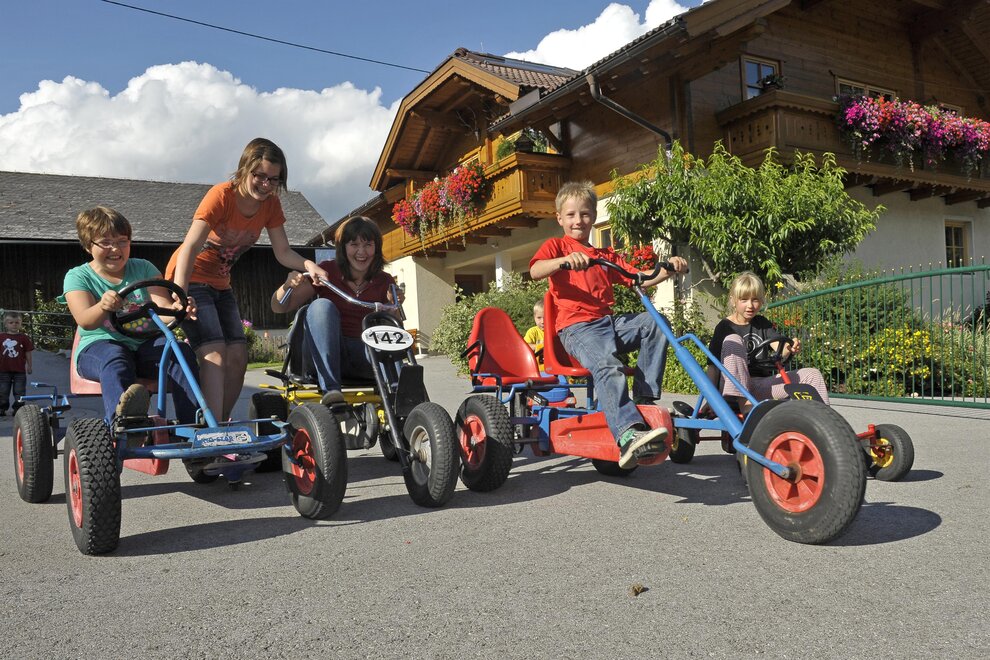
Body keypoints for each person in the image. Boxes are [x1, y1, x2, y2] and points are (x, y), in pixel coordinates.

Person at [166, 138, 328, 421]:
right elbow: (190, 247)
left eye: (274, 180)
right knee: (215, 353)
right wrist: (179, 294)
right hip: (191, 279)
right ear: (244, 169)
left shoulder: (270, 205)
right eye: (260, 176)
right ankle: (212, 432)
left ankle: (220, 424)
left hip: (220, 285)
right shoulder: (221, 196)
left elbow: (283, 252)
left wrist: (309, 264)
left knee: (239, 356)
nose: (266, 185)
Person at [529, 181, 688, 469]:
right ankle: (627, 433)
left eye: (585, 214)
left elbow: (640, 278)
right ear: (560, 218)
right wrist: (564, 261)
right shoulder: (556, 246)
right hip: (577, 328)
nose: (578, 221)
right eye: (571, 215)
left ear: (593, 216)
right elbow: (535, 270)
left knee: (654, 322)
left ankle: (643, 400)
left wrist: (668, 269)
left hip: (608, 324)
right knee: (607, 365)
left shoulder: (605, 257)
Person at [60, 207, 200, 426]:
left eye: (122, 241)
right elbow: (85, 320)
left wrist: (179, 309)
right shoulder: (78, 276)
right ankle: (124, 426)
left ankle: (194, 426)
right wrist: (102, 306)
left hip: (144, 345)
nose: (115, 249)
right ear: (88, 245)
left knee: (179, 350)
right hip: (99, 347)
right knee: (116, 358)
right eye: (106, 242)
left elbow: (162, 309)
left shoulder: (143, 267)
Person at [270, 216, 400, 406]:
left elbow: (395, 328)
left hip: (366, 356)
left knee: (390, 337)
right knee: (321, 306)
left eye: (368, 245)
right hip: (324, 355)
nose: (362, 252)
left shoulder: (385, 280)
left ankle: (402, 396)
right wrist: (287, 286)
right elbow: (279, 306)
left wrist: (392, 307)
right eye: (354, 244)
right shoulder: (326, 272)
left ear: (376, 248)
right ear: (343, 248)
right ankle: (331, 391)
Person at [706, 271, 829, 412]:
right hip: (731, 388)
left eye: (755, 300)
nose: (750, 305)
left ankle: (825, 419)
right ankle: (745, 406)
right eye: (744, 300)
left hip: (759, 385)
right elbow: (713, 367)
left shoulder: (762, 323)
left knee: (812, 375)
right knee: (733, 340)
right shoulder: (724, 327)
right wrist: (711, 400)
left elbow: (780, 348)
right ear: (733, 301)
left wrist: (790, 347)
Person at [0, 311, 34, 417]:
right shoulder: (1, 337)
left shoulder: (23, 338)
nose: (14, 325)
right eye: (11, 322)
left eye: (17, 322)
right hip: (3, 370)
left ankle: (18, 409)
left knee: (19, 392)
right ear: (6, 324)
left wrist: (29, 366)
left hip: (19, 371)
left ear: (20, 324)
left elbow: (28, 352)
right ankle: (1, 408)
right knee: (3, 391)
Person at [523, 300, 545, 368]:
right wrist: (539, 346)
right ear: (534, 317)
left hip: (553, 368)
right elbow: (525, 347)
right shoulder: (532, 332)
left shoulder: (555, 331)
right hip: (536, 368)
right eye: (539, 318)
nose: (542, 321)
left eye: (546, 317)